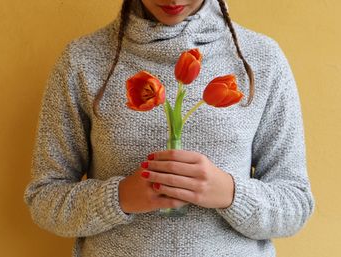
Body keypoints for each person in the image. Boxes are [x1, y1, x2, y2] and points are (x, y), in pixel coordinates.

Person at [24, 0, 315, 256]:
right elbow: (44, 198)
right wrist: (120, 197)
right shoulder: (82, 60)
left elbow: (296, 204)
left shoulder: (262, 59)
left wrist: (229, 193)